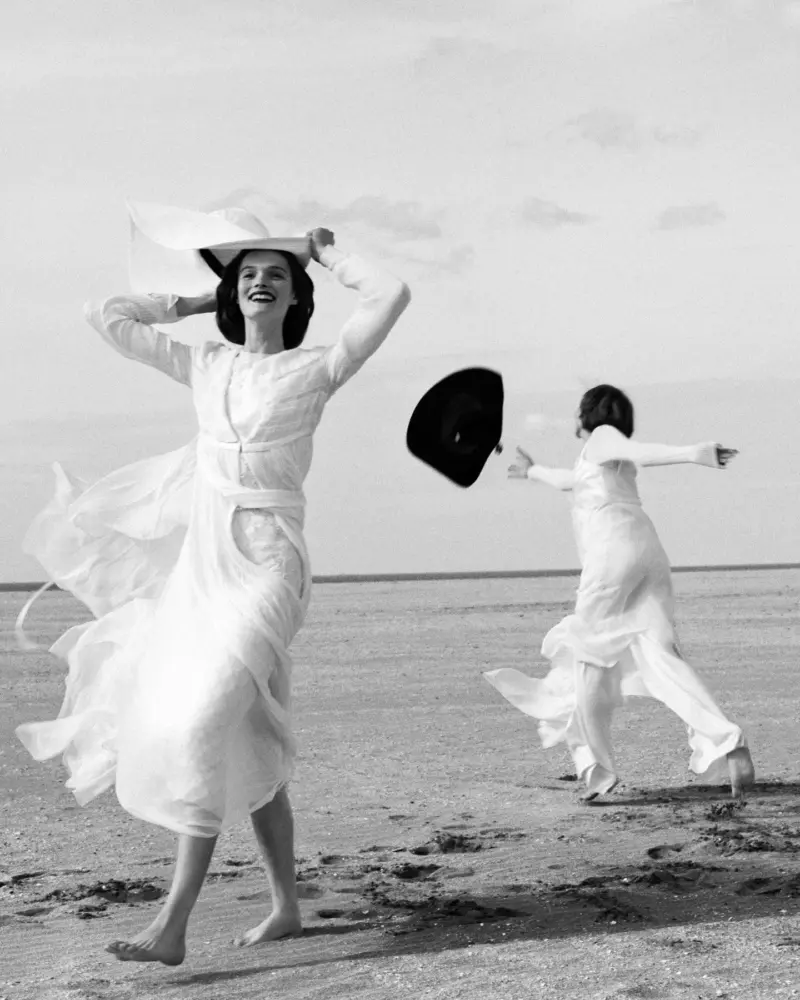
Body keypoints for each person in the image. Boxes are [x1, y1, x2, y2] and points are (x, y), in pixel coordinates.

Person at [15, 221, 410, 965]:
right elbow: (106, 315)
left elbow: (391, 293)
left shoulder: (318, 367)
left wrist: (325, 254)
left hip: (270, 565)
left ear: (297, 299)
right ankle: (286, 906)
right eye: (248, 273)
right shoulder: (205, 362)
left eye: (276, 275)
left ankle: (172, 923)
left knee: (199, 726)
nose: (261, 281)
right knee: (248, 737)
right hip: (204, 568)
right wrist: (199, 300)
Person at [485, 384, 754, 802]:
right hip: (648, 552)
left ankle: (597, 770)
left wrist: (695, 452)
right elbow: (569, 481)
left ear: (587, 414)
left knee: (586, 657)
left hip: (612, 555)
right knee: (662, 654)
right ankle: (728, 742)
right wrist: (533, 471)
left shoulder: (602, 438)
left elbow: (641, 451)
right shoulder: (599, 459)